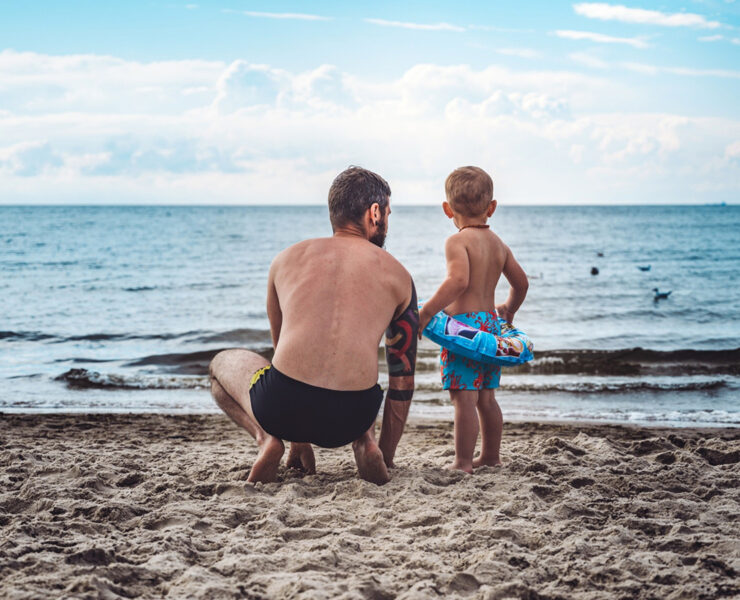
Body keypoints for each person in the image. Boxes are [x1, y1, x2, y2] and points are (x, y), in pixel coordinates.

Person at [209, 167, 418, 485]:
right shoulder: (400, 276)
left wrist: (298, 439)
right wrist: (386, 457)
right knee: (364, 373)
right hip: (352, 417)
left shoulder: (286, 259)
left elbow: (282, 351)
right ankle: (366, 444)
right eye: (387, 213)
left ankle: (268, 439)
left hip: (282, 407)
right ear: (374, 213)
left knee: (220, 365)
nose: (387, 222)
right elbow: (402, 381)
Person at [418, 166, 528, 473]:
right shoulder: (499, 245)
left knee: (463, 399)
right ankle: (491, 456)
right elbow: (522, 284)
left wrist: (426, 313)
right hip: (490, 329)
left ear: (447, 209)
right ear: (491, 208)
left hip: (464, 331)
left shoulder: (457, 241)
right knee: (486, 398)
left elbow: (458, 281)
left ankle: (463, 462)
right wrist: (508, 309)